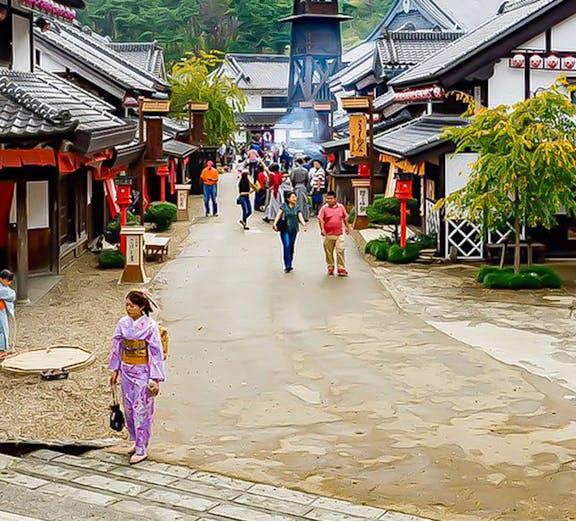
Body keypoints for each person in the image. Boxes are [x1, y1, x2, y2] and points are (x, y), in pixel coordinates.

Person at [109, 290, 166, 464]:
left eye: (132, 306)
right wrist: (115, 369)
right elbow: (117, 346)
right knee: (129, 407)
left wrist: (155, 379)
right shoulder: (123, 323)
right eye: (126, 305)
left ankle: (142, 448)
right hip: (126, 369)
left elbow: (156, 352)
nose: (128, 308)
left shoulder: (150, 326)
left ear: (141, 307)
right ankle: (135, 441)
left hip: (143, 371)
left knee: (141, 408)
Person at [273, 192, 307, 273]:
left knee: (291, 246)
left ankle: (290, 261)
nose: (295, 199)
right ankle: (287, 265)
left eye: (295, 197)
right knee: (287, 245)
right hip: (285, 229)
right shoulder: (284, 206)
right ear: (288, 199)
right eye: (292, 197)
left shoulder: (297, 207)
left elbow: (300, 216)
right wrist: (275, 223)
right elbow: (278, 215)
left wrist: (304, 225)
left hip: (294, 229)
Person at [319, 191, 350, 277]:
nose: (329, 200)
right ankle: (330, 266)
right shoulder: (324, 208)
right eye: (328, 198)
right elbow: (321, 219)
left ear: (335, 199)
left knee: (340, 250)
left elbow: (345, 217)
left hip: (339, 233)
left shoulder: (341, 207)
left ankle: (341, 268)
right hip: (328, 234)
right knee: (328, 252)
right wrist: (322, 229)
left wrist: (347, 227)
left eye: (331, 198)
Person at [0, 269, 15, 354]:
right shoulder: (3, 289)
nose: (9, 283)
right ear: (2, 279)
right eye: (8, 281)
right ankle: (1, 350)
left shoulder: (3, 287)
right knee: (3, 328)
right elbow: (12, 295)